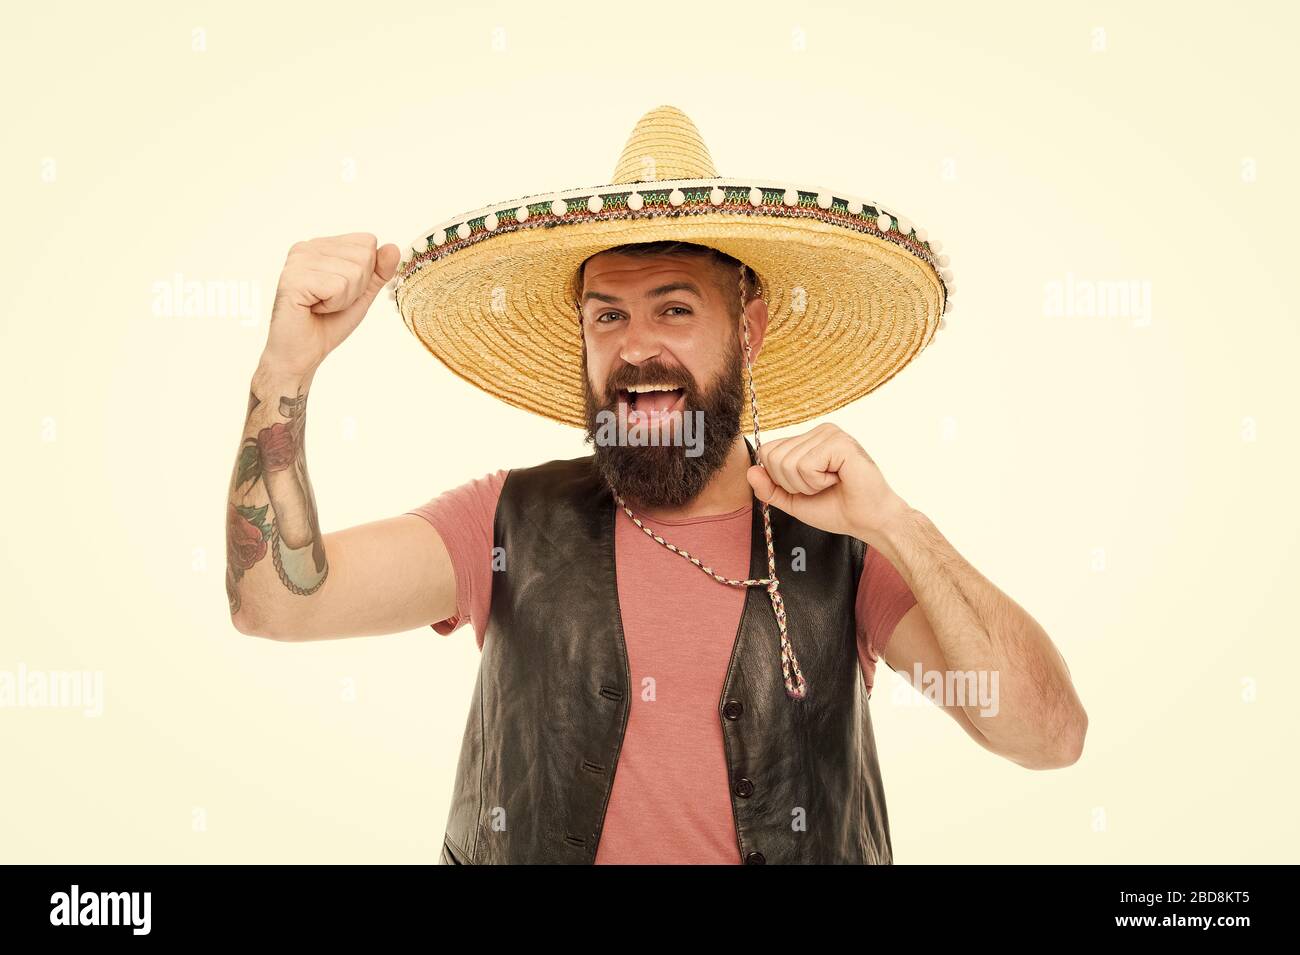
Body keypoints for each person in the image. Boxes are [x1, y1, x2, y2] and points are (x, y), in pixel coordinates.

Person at [226, 106, 1087, 865]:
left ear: (745, 332)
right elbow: (277, 601)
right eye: (609, 315)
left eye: (674, 309)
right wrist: (287, 366)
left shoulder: (846, 546)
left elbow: (1049, 736)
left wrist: (899, 523)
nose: (637, 348)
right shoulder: (505, 521)